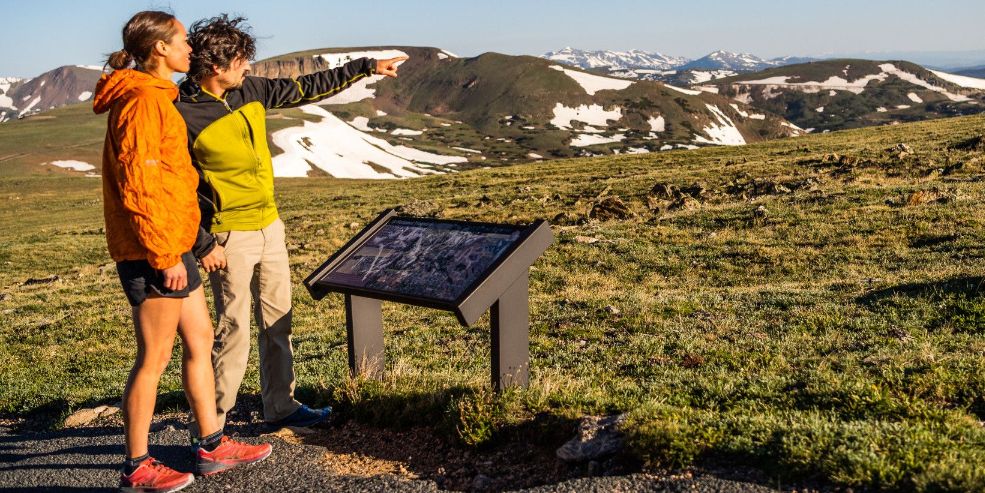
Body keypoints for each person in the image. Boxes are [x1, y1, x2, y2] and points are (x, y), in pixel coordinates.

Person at [175, 14, 407, 435]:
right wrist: (202, 242)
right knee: (233, 331)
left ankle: (280, 406)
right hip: (228, 235)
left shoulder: (249, 89)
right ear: (215, 67)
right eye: (242, 61)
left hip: (270, 226)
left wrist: (366, 66)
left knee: (278, 321)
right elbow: (176, 187)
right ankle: (211, 427)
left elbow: (306, 87)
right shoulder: (182, 114)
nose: (249, 67)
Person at [93, 10, 272, 492]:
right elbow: (141, 186)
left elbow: (170, 183)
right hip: (155, 252)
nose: (189, 50)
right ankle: (136, 466)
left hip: (175, 245)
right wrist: (164, 255)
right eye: (181, 42)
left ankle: (211, 443)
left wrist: (189, 245)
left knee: (200, 339)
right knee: (154, 357)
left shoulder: (158, 96)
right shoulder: (141, 103)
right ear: (159, 50)